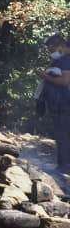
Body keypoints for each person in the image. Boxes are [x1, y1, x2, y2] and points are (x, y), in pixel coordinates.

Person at [42, 34, 70, 172]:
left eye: (52, 49)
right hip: (61, 103)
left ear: (60, 46)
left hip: (65, 104)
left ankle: (64, 167)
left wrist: (45, 76)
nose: (51, 52)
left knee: (62, 134)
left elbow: (65, 81)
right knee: (62, 134)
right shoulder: (62, 60)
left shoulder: (66, 60)